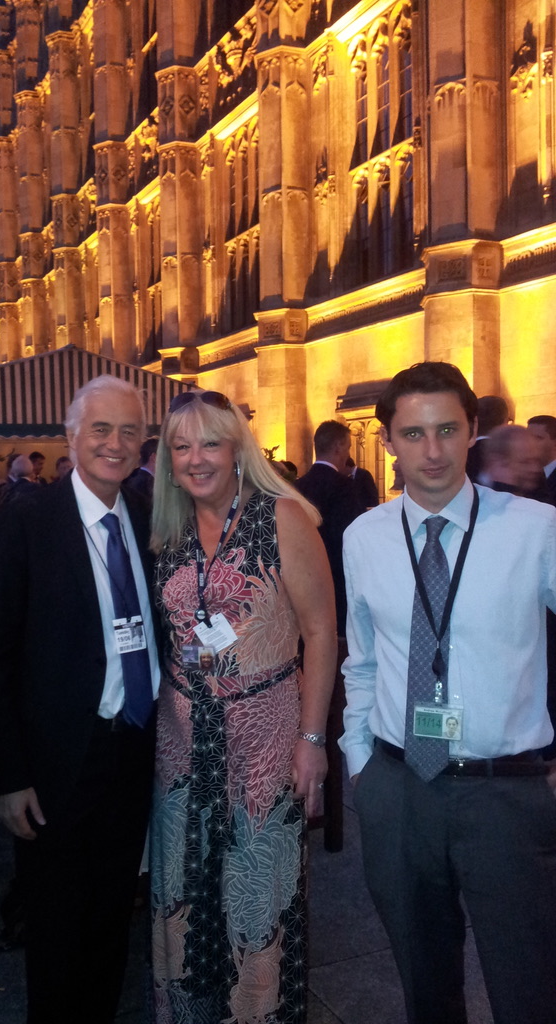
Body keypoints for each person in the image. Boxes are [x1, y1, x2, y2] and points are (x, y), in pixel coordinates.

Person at [340, 361, 556, 1024]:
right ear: (388, 444)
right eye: (413, 434)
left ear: (473, 432)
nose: (431, 452)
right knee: (425, 985)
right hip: (401, 788)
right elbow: (363, 659)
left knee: (530, 985)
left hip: (505, 792)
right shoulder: (364, 537)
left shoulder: (535, 529)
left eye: (446, 430)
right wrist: (361, 764)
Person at [0, 375, 160, 1024]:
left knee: (112, 923)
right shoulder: (26, 522)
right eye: (101, 430)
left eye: (129, 431)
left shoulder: (144, 513)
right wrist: (7, 776)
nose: (115, 443)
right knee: (55, 935)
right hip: (54, 767)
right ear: (71, 437)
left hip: (132, 753)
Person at [149, 390, 337, 1024]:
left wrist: (313, 741)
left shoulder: (280, 516)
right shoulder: (166, 530)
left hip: (264, 732)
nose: (196, 458)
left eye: (210, 442)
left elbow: (321, 631)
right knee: (184, 892)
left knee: (258, 895)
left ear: (237, 449)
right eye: (181, 446)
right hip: (181, 742)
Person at [295, 419, 361, 634]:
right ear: (338, 447)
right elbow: (351, 537)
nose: (348, 454)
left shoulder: (296, 486)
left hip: (301, 579)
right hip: (336, 581)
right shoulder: (345, 487)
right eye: (348, 447)